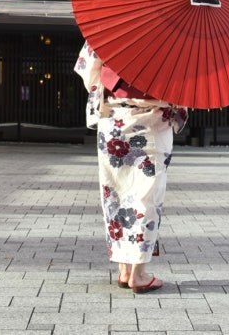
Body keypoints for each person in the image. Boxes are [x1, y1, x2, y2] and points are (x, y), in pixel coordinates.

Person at [74, 41, 187, 293]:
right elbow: (186, 80)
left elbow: (88, 69)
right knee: (147, 195)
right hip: (153, 118)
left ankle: (124, 269)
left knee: (115, 193)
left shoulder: (111, 29)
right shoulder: (174, 36)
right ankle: (139, 273)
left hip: (114, 118)